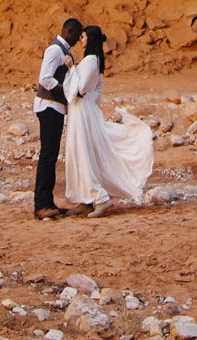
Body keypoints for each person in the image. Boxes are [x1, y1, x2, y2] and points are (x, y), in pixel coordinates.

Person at [57, 25, 154, 215]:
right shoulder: (93, 60)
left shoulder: (91, 60)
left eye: (83, 36)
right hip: (83, 109)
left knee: (81, 151)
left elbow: (82, 88)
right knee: (79, 151)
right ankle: (85, 198)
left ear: (89, 40)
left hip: (82, 111)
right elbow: (98, 88)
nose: (80, 40)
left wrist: (70, 69)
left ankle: (100, 198)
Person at [31, 17, 83, 220]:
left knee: (51, 156)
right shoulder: (55, 50)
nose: (78, 40)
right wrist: (66, 92)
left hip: (56, 107)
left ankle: (48, 201)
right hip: (49, 106)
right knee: (47, 156)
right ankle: (41, 204)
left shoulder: (64, 50)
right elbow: (44, 78)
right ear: (69, 31)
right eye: (77, 36)